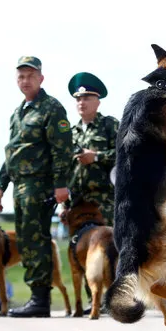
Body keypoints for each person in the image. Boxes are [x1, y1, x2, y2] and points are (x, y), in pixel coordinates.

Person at [0, 56, 73, 318]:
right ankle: (36, 296)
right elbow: (12, 151)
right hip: (21, 186)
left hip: (41, 185)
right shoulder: (18, 112)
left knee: (37, 239)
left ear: (41, 78)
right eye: (21, 77)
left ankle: (40, 299)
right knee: (26, 240)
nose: (25, 81)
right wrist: (1, 186)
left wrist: (61, 185)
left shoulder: (51, 108)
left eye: (30, 76)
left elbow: (62, 149)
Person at [65, 72, 119, 225]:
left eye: (87, 98)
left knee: (107, 247)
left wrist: (96, 156)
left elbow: (127, 156)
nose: (81, 102)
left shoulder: (110, 125)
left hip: (105, 204)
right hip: (77, 205)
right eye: (78, 99)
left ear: (98, 102)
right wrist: (64, 205)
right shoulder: (71, 133)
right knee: (78, 247)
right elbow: (66, 170)